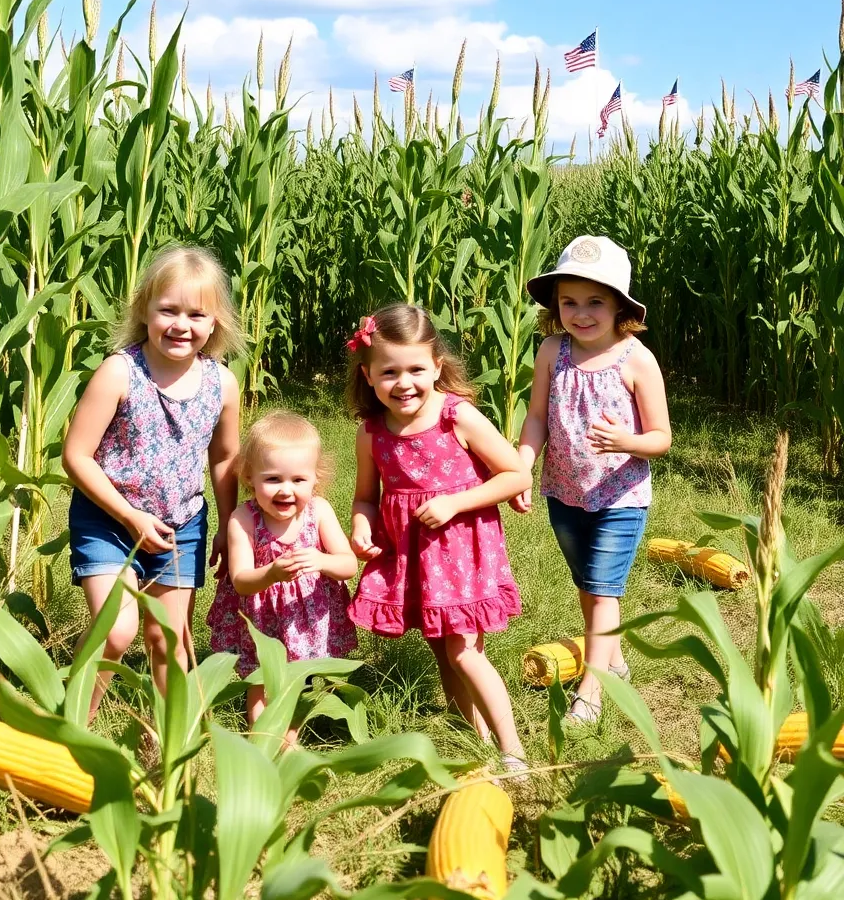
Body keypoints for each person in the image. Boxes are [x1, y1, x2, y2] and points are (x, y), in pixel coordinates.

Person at [346, 304, 531, 773]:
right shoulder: (372, 433)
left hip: (460, 547)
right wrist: (362, 526)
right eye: (389, 371)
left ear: (437, 368)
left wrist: (455, 502)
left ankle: (513, 751)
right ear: (368, 375)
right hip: (411, 551)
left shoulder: (456, 416)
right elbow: (366, 497)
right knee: (441, 648)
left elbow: (514, 473)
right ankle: (474, 735)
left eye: (415, 369)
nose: (403, 382)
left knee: (464, 651)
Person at [61, 244, 242, 723]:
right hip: (109, 521)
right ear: (144, 309)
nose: (181, 325)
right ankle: (71, 729)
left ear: (215, 322)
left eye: (196, 314)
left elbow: (224, 458)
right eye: (168, 310)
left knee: (169, 638)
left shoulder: (222, 384)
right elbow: (76, 456)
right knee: (115, 631)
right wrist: (130, 515)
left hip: (180, 525)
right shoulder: (119, 371)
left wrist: (227, 524)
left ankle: (170, 748)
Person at [512, 235, 671, 725]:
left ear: (620, 305)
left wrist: (627, 440)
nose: (581, 313)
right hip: (564, 492)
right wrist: (522, 464)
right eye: (569, 302)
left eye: (595, 301)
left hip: (621, 496)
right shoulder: (551, 351)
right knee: (588, 585)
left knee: (604, 591)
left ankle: (592, 691)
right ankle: (614, 660)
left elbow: (662, 436)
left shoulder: (636, 359)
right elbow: (537, 417)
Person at [207, 411, 357, 745]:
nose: (286, 491)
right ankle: (263, 742)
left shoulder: (319, 512)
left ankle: (290, 738)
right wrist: (272, 573)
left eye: (298, 480)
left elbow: (348, 565)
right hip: (261, 619)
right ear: (250, 477)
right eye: (272, 479)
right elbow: (242, 579)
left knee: (293, 681)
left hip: (306, 616)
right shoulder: (244, 519)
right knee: (261, 679)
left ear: (314, 480)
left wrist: (321, 560)